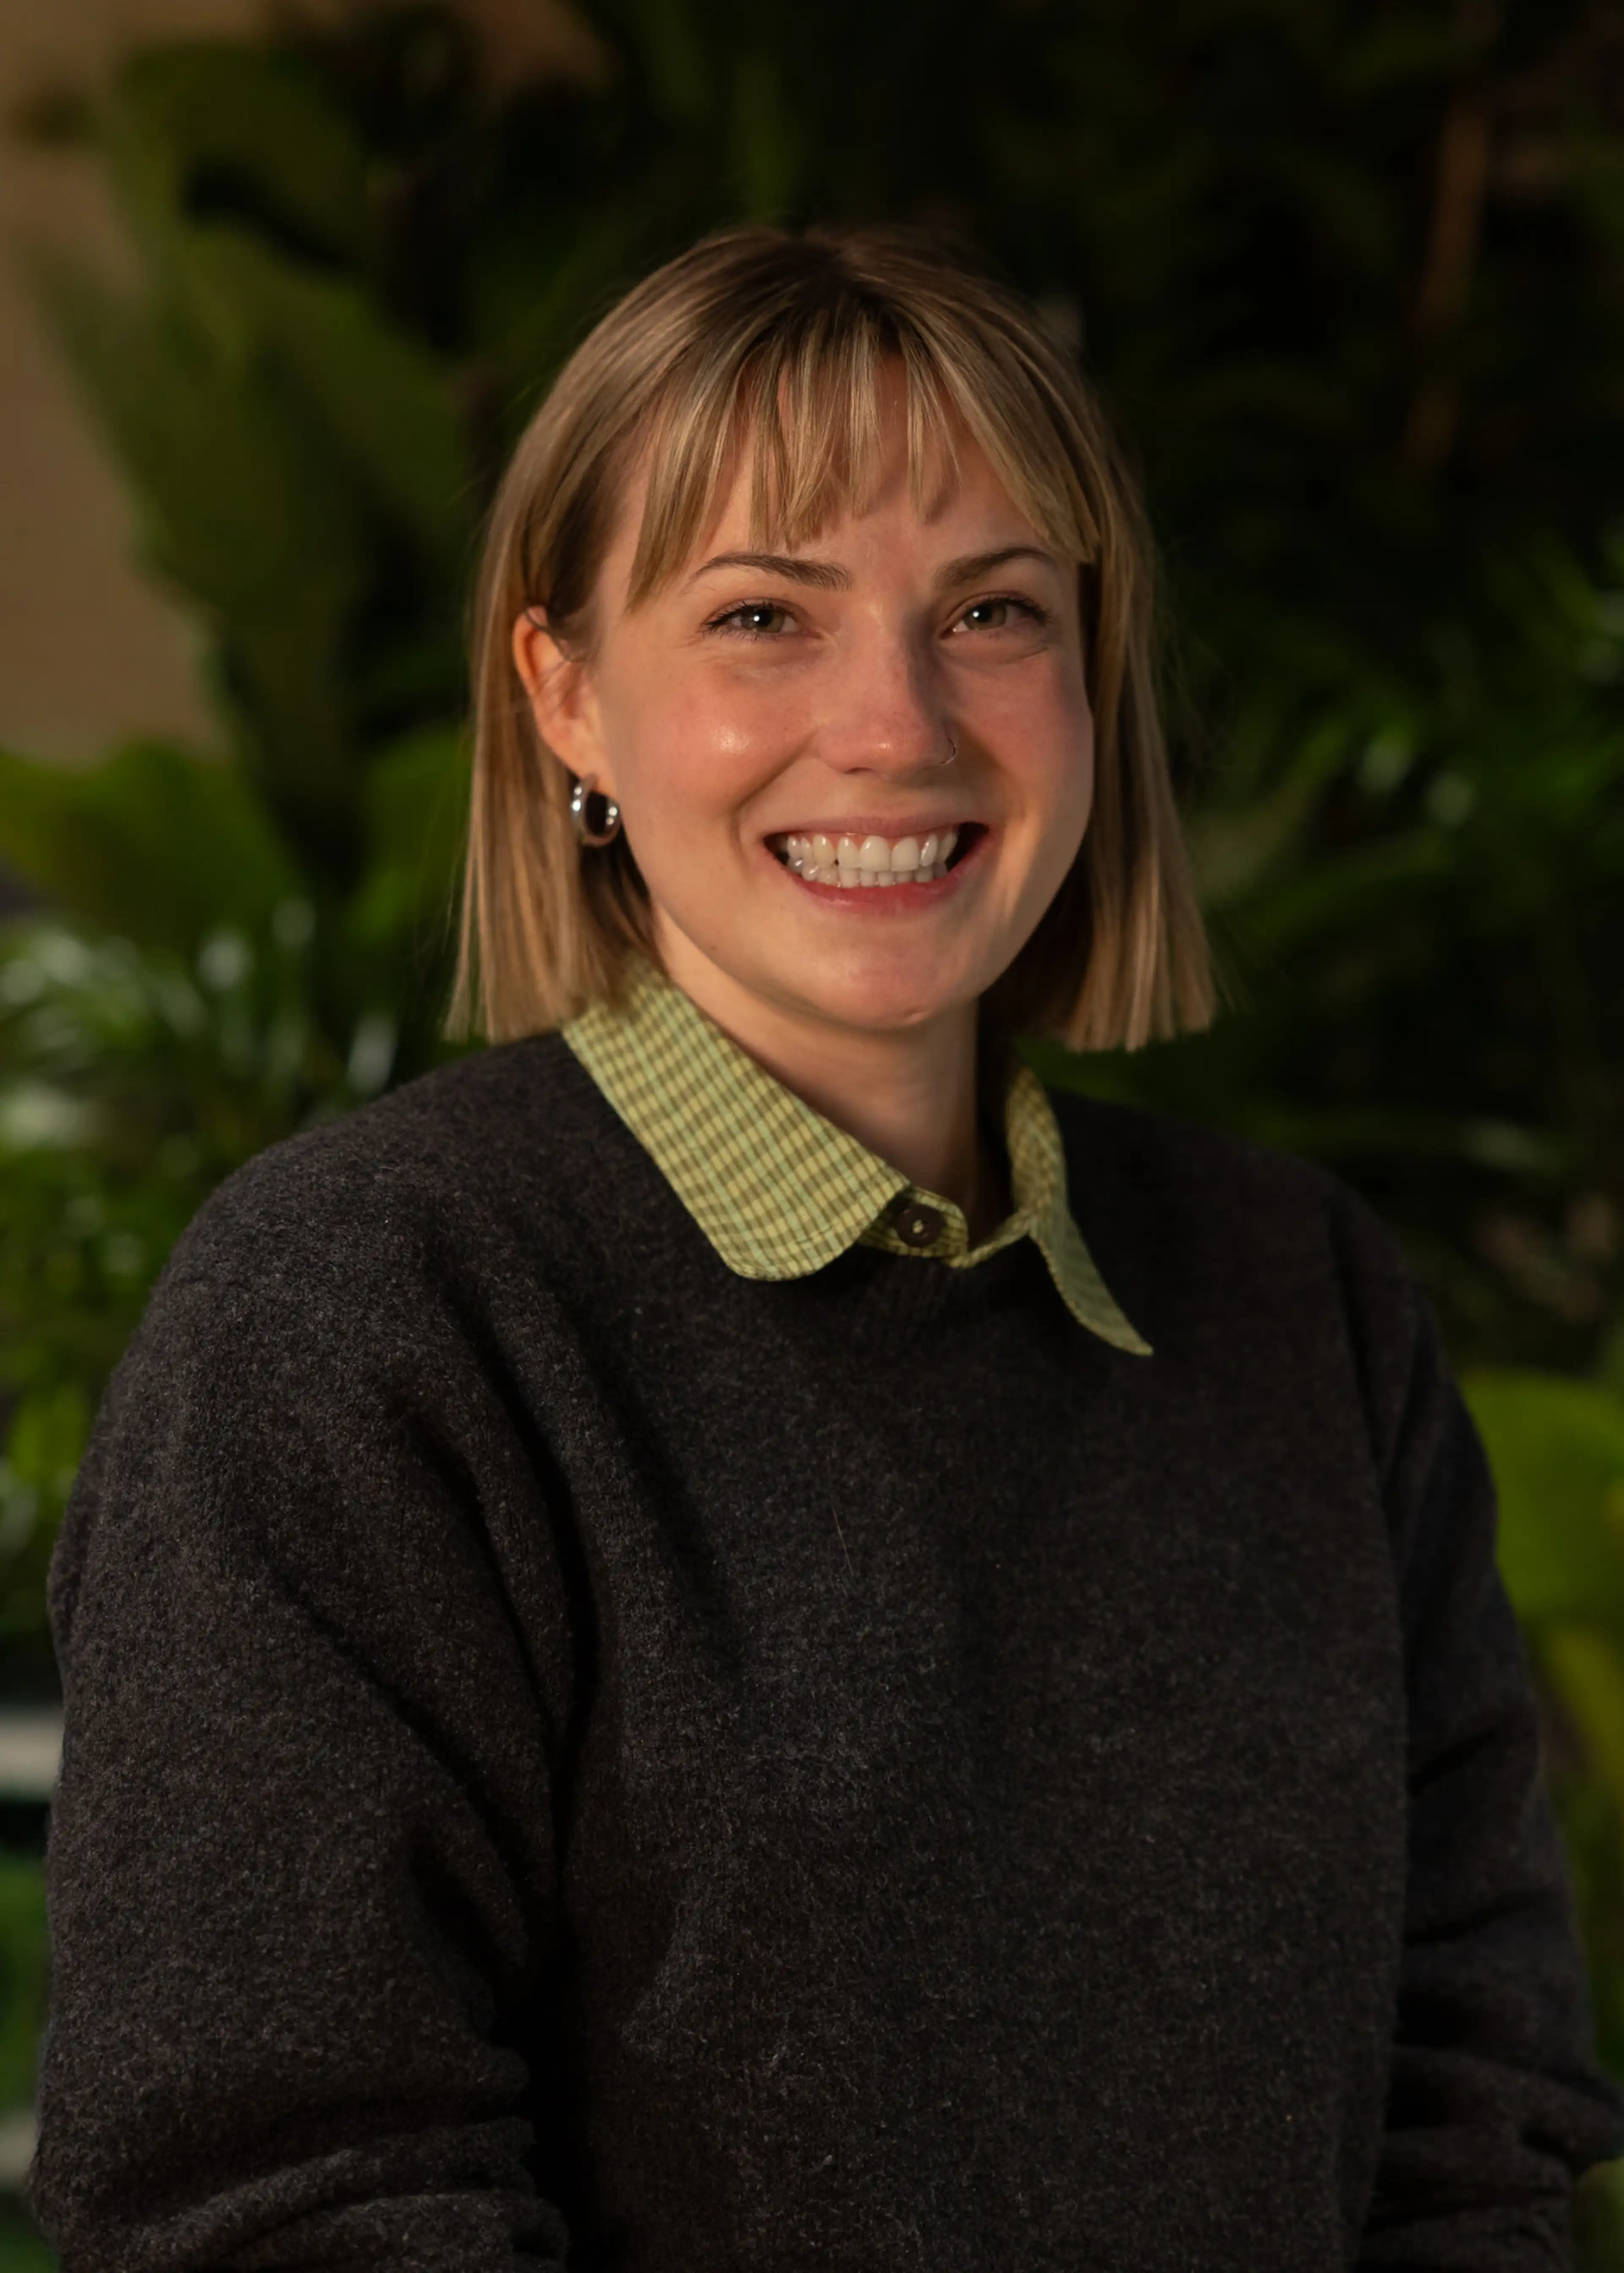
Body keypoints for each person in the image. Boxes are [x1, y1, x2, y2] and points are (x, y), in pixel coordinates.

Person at [29, 226, 1624, 2270]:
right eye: (765, 615)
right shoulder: (360, 1319)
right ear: (567, 695)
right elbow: (267, 2203)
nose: (896, 722)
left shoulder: (1305, 1299)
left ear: (1090, 673)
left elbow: (1475, 2122)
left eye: (990, 610)